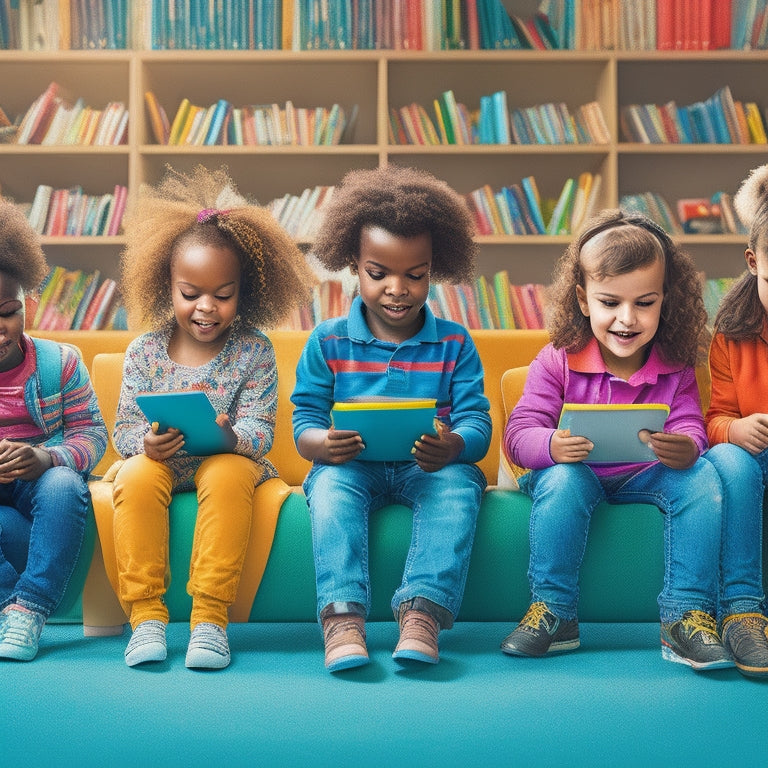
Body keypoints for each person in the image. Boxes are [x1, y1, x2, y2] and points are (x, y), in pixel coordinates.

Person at [500, 208, 731, 671]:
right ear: (584, 301)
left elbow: (689, 424)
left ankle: (686, 615)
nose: (627, 319)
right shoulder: (557, 360)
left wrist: (687, 446)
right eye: (610, 303)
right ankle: (555, 611)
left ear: (666, 300)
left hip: (643, 475)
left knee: (702, 476)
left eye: (644, 303)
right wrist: (551, 446)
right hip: (575, 475)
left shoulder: (675, 363)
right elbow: (519, 432)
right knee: (565, 479)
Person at [112, 165, 314, 670]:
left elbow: (262, 431)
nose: (207, 308)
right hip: (163, 465)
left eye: (223, 295)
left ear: (245, 293)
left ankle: (209, 619)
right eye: (191, 294)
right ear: (167, 286)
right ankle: (146, 619)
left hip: (228, 462)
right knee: (134, 474)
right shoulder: (143, 351)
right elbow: (124, 429)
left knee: (225, 472)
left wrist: (231, 436)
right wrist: (145, 444)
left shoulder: (254, 351)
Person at [291, 165, 492, 672]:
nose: (397, 288)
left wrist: (455, 446)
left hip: (429, 467)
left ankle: (422, 612)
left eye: (415, 274)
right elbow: (304, 420)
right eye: (378, 273)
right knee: (331, 491)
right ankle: (342, 619)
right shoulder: (327, 339)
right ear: (352, 266)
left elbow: (477, 422)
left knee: (457, 488)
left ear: (434, 269)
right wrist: (321, 444)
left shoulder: (455, 342)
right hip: (350, 465)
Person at [0, 200, 107, 661]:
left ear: (27, 303)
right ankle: (8, 606)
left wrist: (47, 458)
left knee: (64, 484)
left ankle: (31, 610)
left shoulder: (59, 363)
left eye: (6, 311)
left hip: (44, 490)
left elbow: (93, 436)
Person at [703, 164, 768, 678]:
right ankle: (743, 612)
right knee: (729, 459)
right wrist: (736, 429)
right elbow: (714, 419)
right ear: (752, 262)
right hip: (753, 457)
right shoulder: (732, 333)